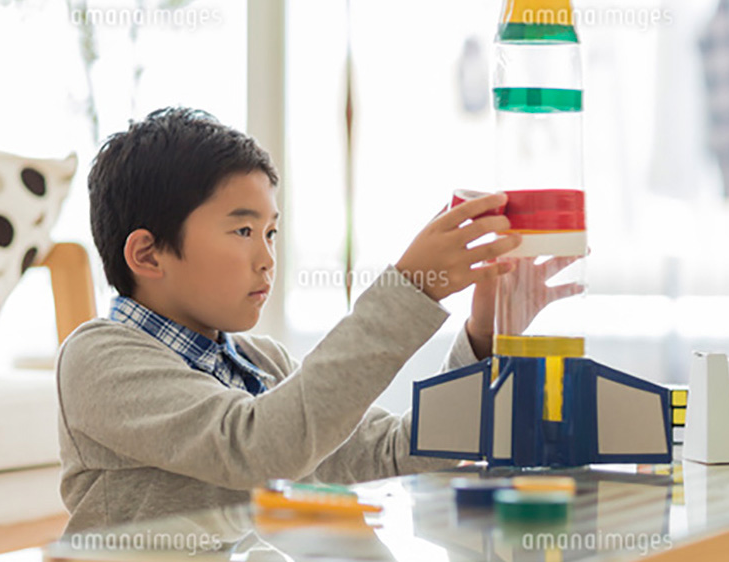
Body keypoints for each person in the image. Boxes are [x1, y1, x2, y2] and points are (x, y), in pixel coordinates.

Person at [56, 107, 523, 534]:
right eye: (243, 230)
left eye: (271, 232)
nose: (266, 258)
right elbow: (258, 448)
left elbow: (397, 455)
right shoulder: (99, 357)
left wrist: (484, 334)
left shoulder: (263, 362)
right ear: (147, 254)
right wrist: (411, 288)